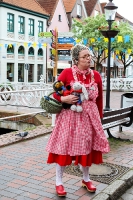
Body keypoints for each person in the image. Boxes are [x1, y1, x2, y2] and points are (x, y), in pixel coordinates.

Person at [45, 44, 110, 197]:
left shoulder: (96, 75)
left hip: (89, 119)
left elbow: (99, 100)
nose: (89, 59)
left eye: (89, 56)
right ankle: (59, 181)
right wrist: (64, 98)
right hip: (69, 119)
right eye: (85, 56)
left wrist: (99, 119)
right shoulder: (67, 73)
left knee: (87, 148)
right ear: (76, 60)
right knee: (64, 147)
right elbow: (54, 93)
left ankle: (86, 179)